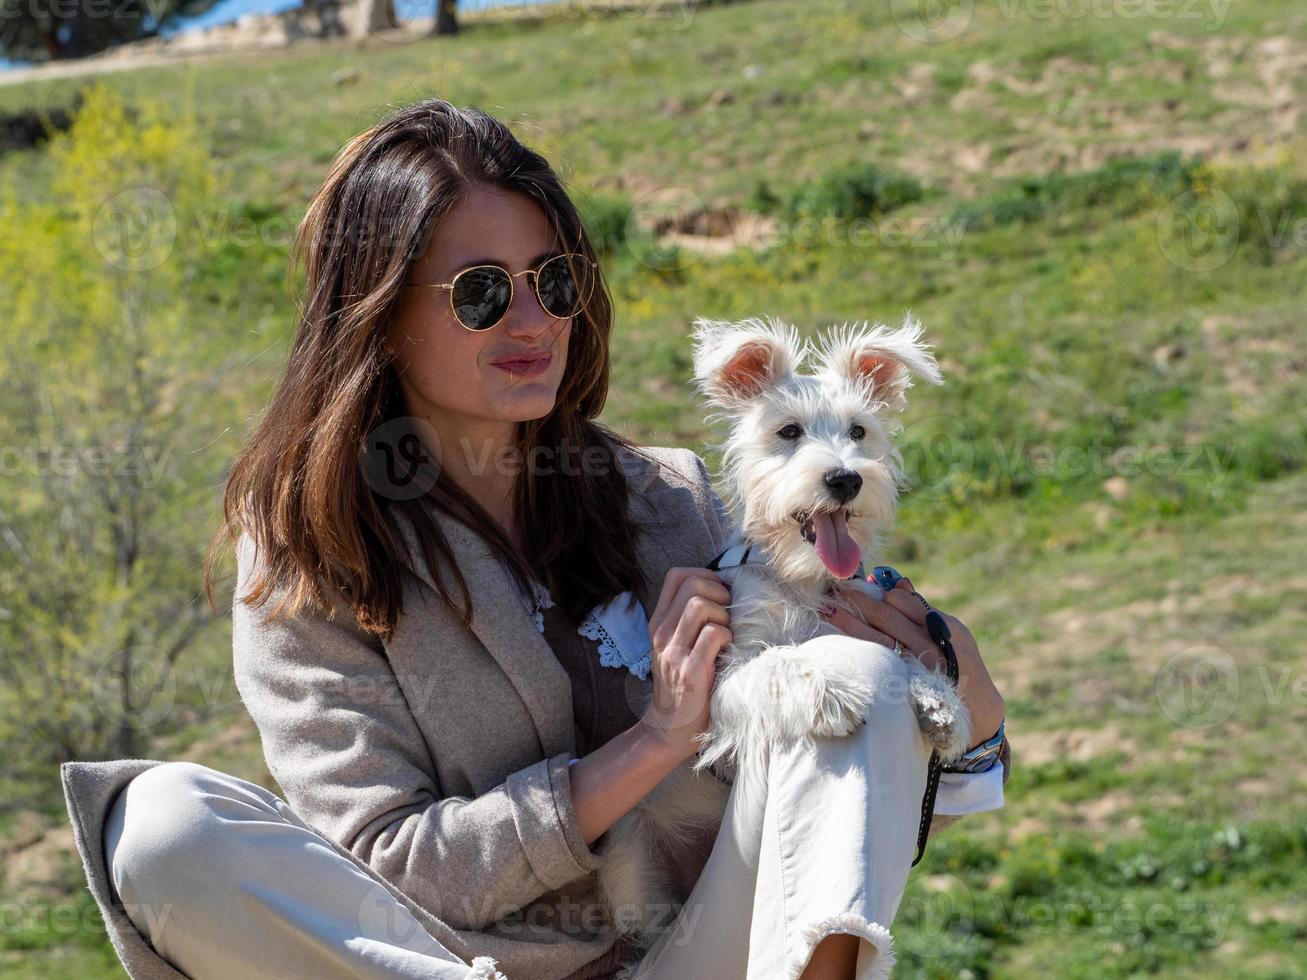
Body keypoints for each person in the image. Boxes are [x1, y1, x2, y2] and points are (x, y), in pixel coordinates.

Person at [101, 98, 1009, 980]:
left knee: (848, 677)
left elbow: (842, 782)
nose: (533, 322)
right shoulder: (308, 557)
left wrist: (951, 672)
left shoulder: (671, 498)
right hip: (455, 963)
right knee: (161, 823)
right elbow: (390, 861)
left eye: (555, 281)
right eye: (481, 293)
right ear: (377, 311)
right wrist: (655, 738)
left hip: (707, 952)